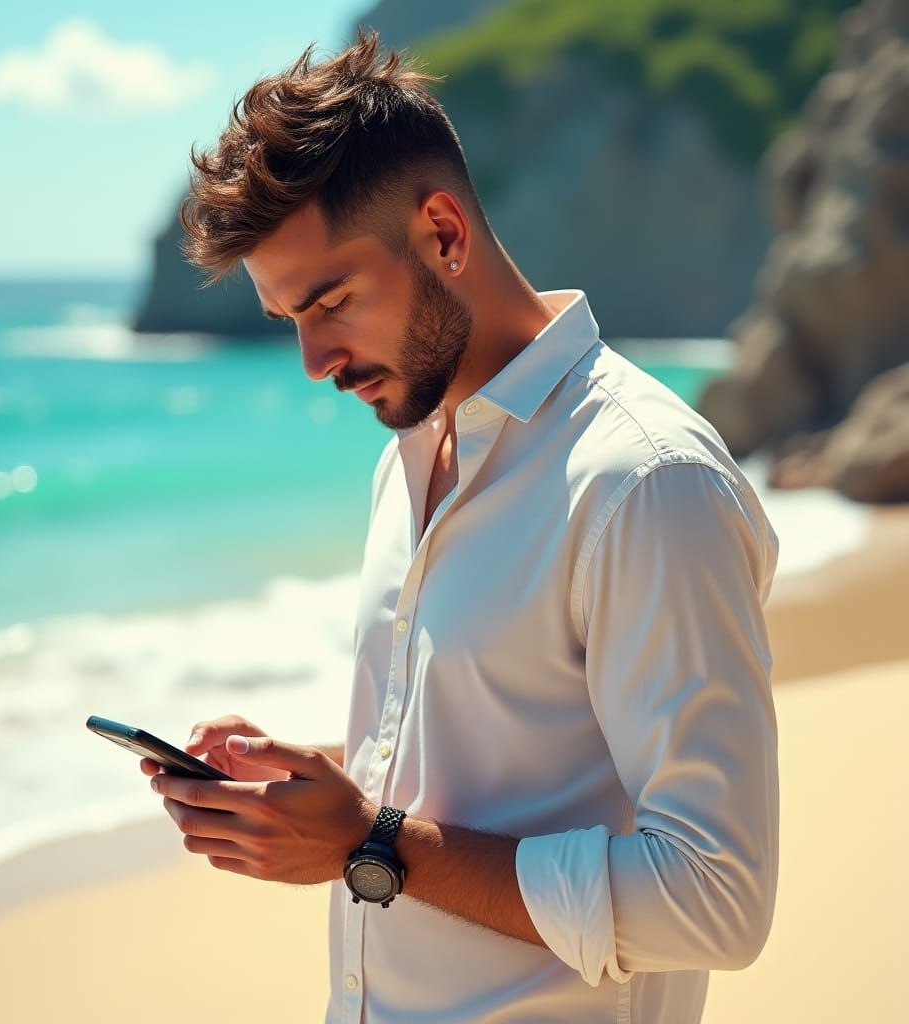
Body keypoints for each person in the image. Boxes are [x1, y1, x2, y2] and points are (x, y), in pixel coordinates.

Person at [140, 27, 780, 1023]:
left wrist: (369, 841)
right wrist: (313, 794)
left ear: (442, 232)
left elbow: (716, 900)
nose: (313, 360)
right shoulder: (403, 462)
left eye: (331, 301)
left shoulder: (646, 482)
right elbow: (487, 763)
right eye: (289, 319)